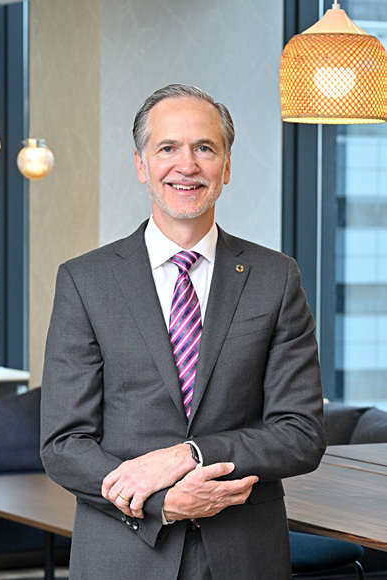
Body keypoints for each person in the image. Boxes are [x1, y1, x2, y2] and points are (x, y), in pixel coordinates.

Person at [41, 84, 326, 580]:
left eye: (205, 148)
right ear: (141, 165)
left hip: (245, 556)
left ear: (227, 166)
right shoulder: (85, 281)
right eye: (168, 148)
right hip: (123, 557)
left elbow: (300, 434)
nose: (186, 165)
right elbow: (64, 444)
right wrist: (161, 502)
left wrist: (190, 455)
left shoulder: (276, 278)